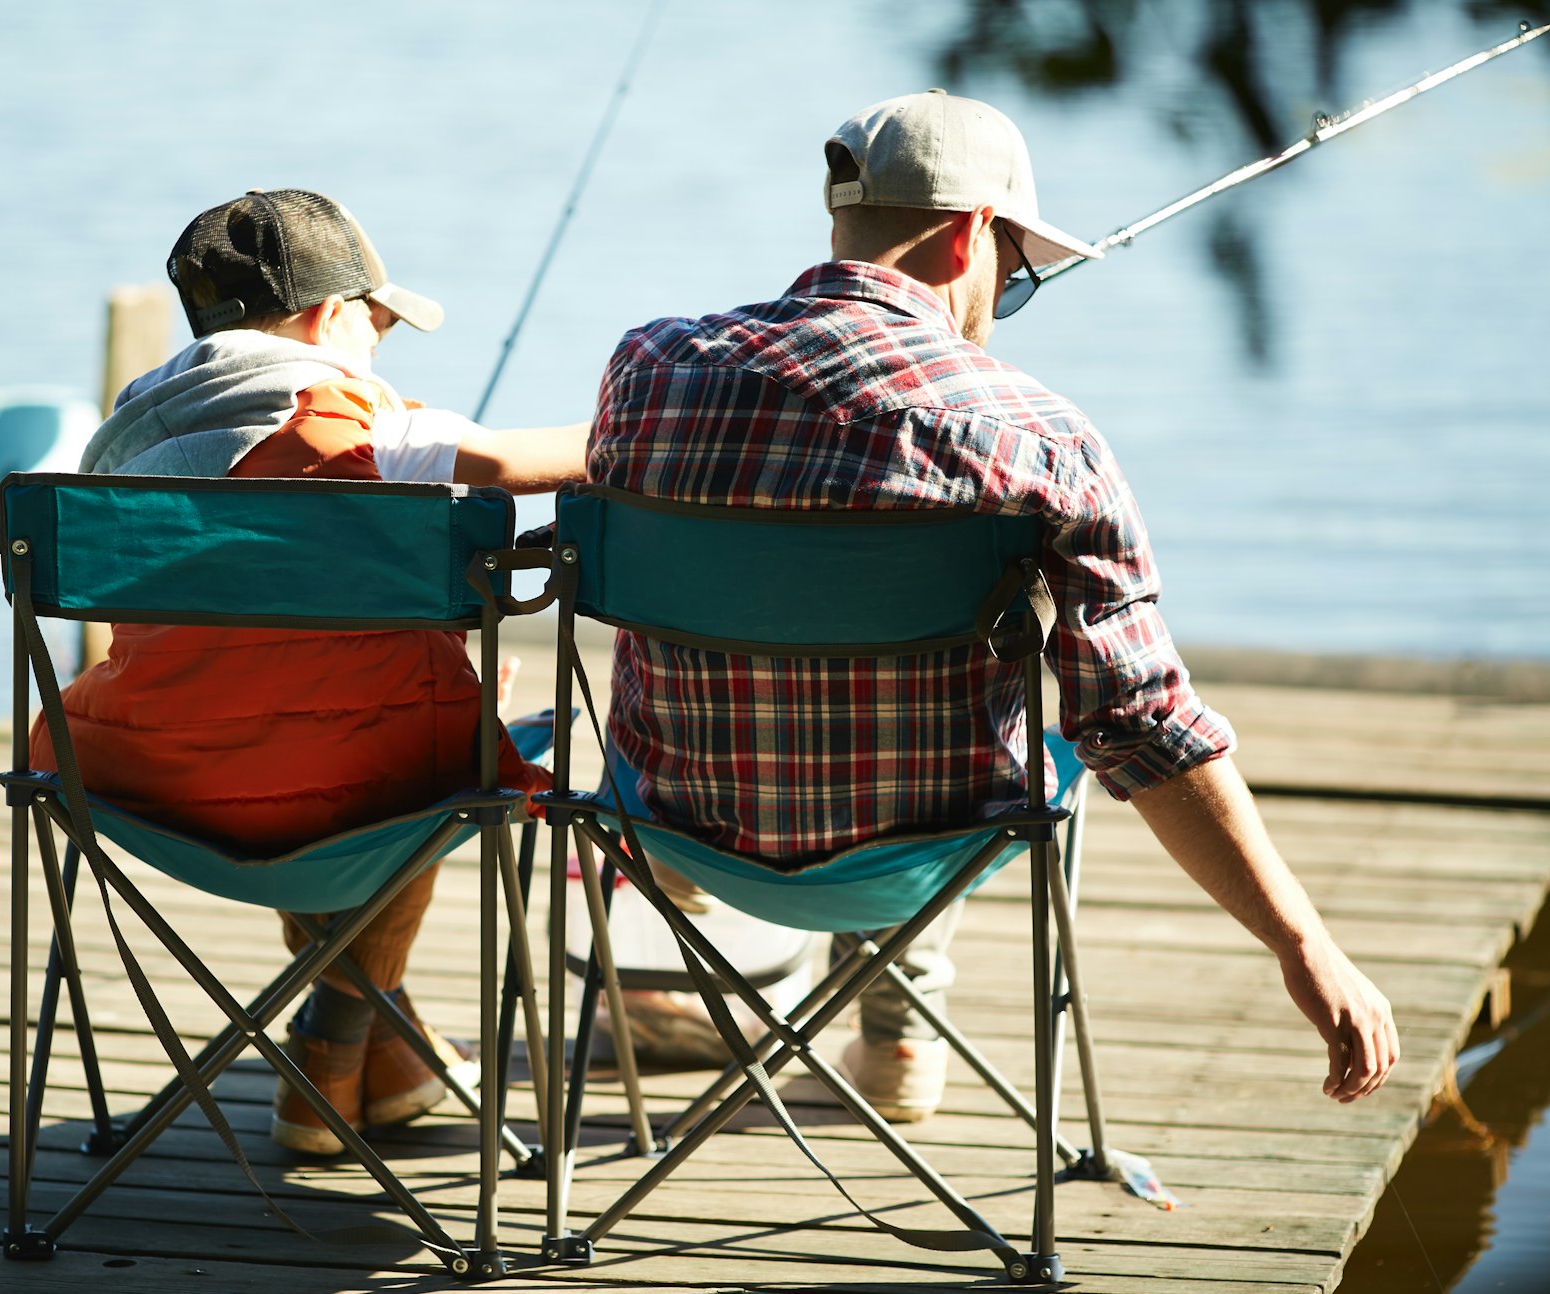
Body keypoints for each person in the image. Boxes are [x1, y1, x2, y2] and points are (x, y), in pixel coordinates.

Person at [588, 91, 1399, 1119]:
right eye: (1013, 274)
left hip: (678, 831)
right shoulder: (1039, 437)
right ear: (974, 230)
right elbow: (1139, 724)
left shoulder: (649, 370)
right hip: (921, 855)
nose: (1002, 294)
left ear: (839, 219)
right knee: (995, 729)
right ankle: (898, 1033)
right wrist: (1303, 944)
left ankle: (768, 1012)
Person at [30, 188, 586, 1154]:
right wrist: (647, 432)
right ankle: (334, 1049)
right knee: (440, 747)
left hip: (147, 782)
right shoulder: (363, 429)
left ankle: (366, 1056)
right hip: (362, 788)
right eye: (378, 326)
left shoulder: (121, 445)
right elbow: (512, 461)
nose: (378, 351)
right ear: (332, 318)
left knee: (313, 706)